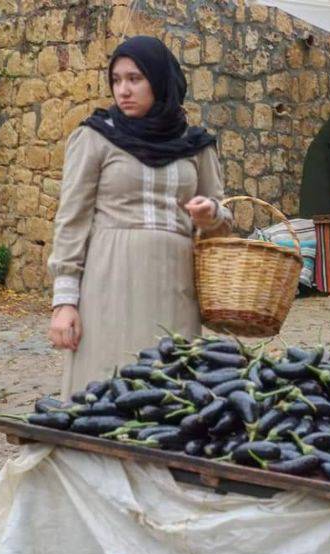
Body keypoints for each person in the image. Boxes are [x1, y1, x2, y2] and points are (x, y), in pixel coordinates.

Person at [47, 36, 232, 400]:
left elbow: (223, 216)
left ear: (160, 81)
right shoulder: (96, 137)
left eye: (135, 79)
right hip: (108, 281)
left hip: (175, 286)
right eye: (116, 80)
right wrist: (65, 301)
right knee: (105, 384)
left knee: (170, 388)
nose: (123, 90)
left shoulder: (196, 144)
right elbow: (72, 219)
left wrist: (210, 215)